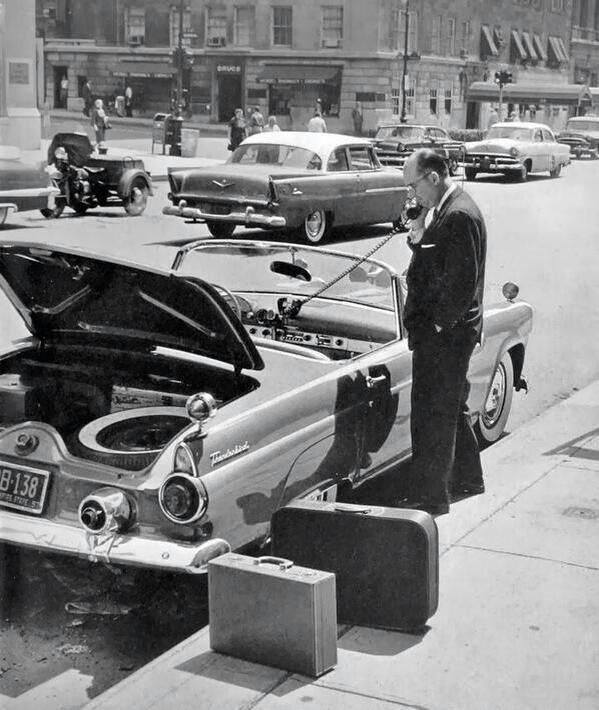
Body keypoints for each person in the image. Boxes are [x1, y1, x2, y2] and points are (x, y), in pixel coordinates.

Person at [400, 149, 487, 516]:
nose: (411, 195)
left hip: (446, 335)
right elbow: (434, 257)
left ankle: (431, 496)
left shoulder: (459, 216)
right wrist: (417, 227)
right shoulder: (447, 210)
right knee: (451, 407)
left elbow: (462, 283)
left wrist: (437, 325)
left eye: (413, 185)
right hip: (448, 331)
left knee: (432, 414)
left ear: (433, 178)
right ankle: (468, 477)